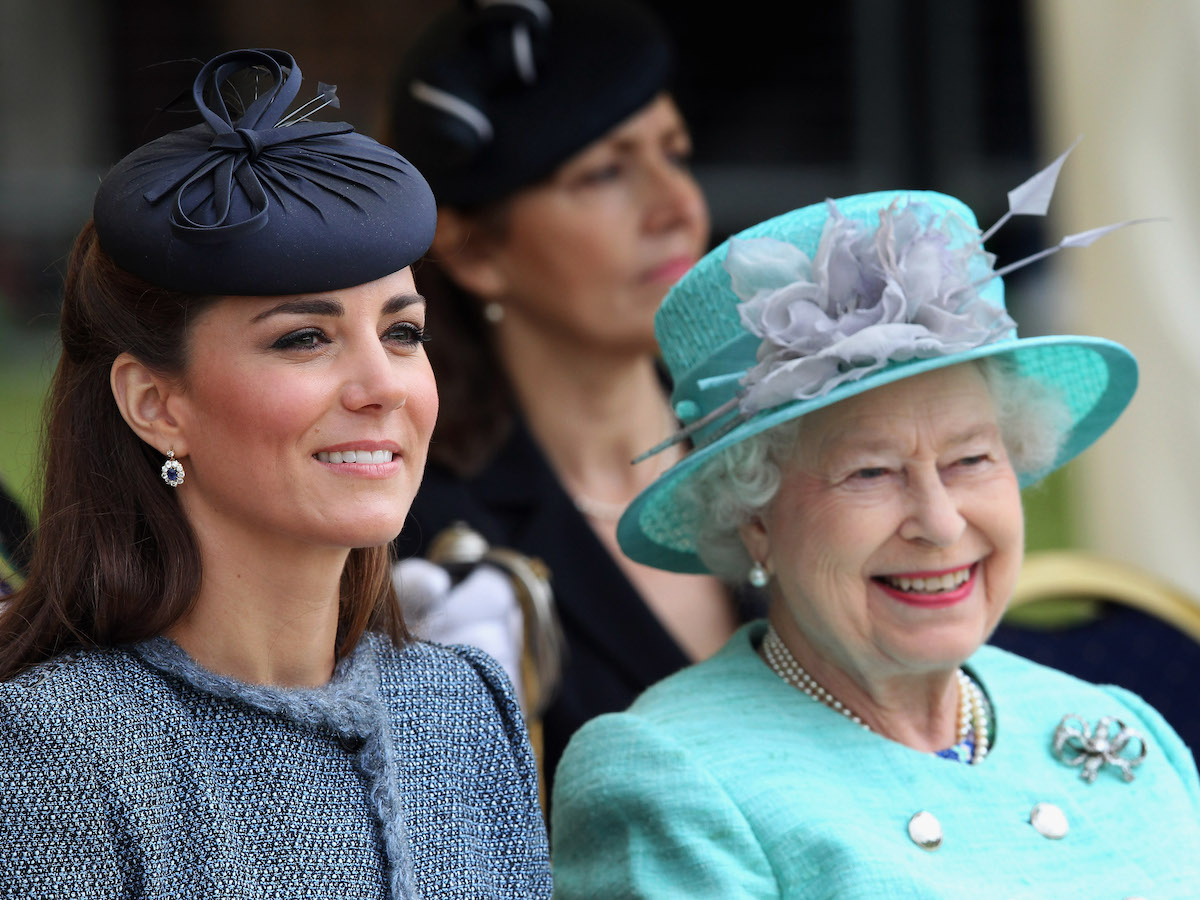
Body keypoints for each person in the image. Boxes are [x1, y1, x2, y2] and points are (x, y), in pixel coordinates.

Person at [550, 172, 1200, 895]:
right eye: (870, 472)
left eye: (971, 459)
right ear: (754, 517)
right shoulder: (666, 778)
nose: (942, 522)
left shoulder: (1115, 722)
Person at [0, 48, 551, 897]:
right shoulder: (57, 749)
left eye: (403, 333)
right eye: (304, 338)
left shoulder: (464, 704)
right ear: (155, 404)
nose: (382, 388)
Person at [383, 0, 762, 797]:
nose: (676, 207)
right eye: (605, 173)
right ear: (475, 249)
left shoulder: (783, 435)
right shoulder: (419, 539)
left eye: (675, 153)